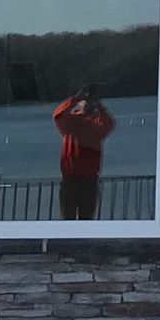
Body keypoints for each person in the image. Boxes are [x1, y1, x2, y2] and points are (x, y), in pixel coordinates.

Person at [54, 86, 115, 221]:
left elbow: (109, 124)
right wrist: (76, 98)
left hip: (89, 180)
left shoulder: (94, 124)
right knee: (67, 219)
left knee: (85, 220)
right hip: (71, 179)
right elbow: (58, 114)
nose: (87, 103)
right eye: (84, 101)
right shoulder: (69, 122)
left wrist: (97, 106)